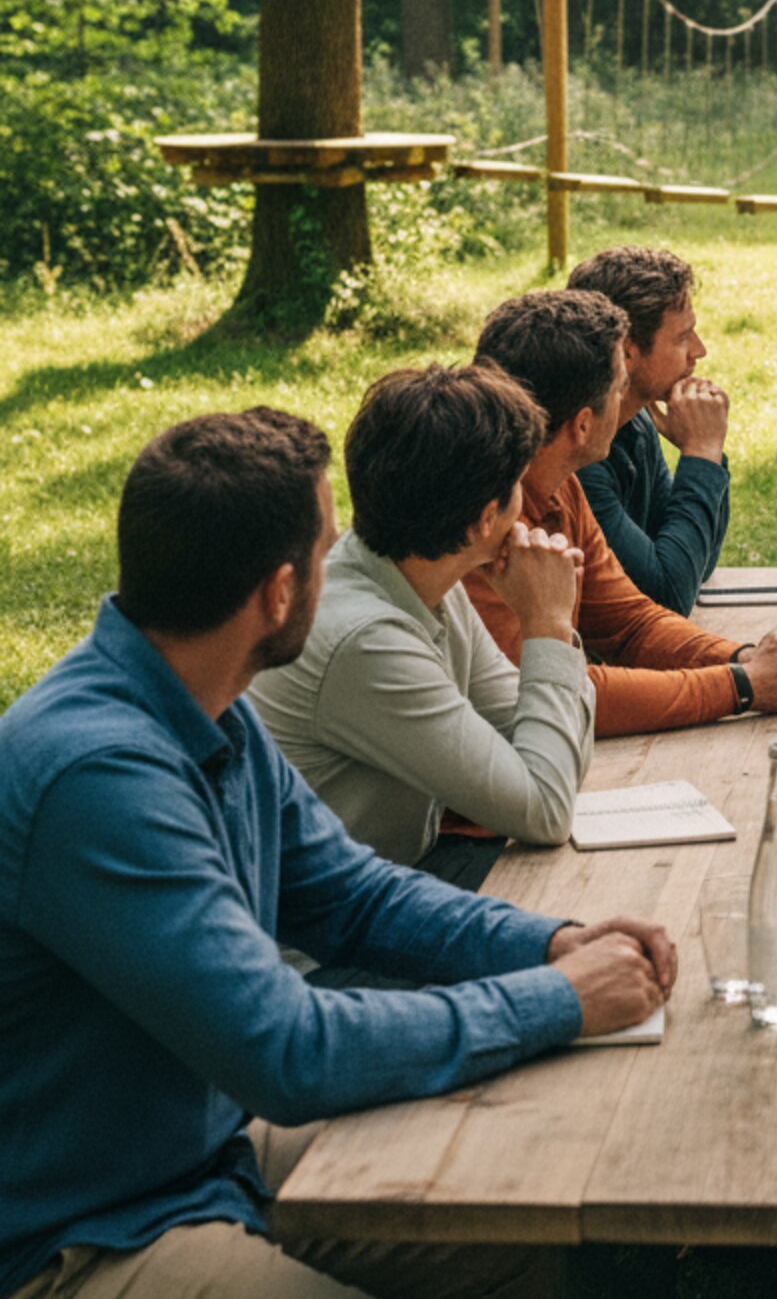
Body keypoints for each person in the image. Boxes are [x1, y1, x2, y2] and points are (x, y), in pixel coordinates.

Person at [0, 409, 675, 1299]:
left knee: (518, 1221)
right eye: (327, 549)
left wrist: (550, 944)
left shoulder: (209, 702)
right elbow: (286, 1049)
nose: (344, 562)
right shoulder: (97, 779)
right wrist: (554, 1000)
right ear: (281, 594)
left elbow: (357, 899)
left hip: (203, 1143)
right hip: (83, 1232)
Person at [250, 363, 594, 867]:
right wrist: (549, 626)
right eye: (518, 484)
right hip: (330, 933)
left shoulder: (423, 578)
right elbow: (545, 808)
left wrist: (551, 639)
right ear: (483, 520)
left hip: (394, 887)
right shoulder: (365, 641)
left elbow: (544, 752)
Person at [466, 289, 777, 735]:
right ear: (581, 425)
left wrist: (745, 658)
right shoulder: (482, 520)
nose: (628, 404)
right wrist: (741, 685)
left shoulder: (561, 485)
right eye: (620, 389)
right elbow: (547, 693)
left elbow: (631, 622)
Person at [568, 244, 729, 616]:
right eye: (682, 338)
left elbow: (694, 564)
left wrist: (707, 457)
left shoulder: (636, 422)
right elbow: (665, 600)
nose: (699, 351)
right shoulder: (579, 456)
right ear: (626, 351)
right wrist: (702, 454)